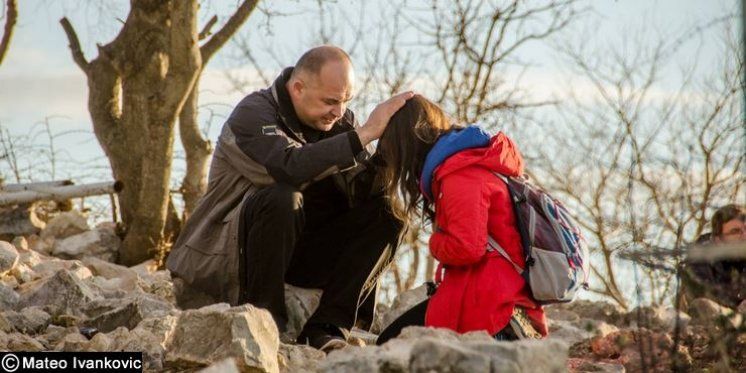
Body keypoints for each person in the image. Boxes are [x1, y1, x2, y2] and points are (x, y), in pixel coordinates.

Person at [166, 45, 414, 352]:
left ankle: (326, 327)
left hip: (300, 253)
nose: (338, 111)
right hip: (230, 256)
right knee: (284, 196)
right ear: (297, 88)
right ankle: (266, 322)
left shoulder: (339, 122)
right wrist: (364, 134)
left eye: (345, 101)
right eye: (330, 101)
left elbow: (365, 194)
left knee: (389, 215)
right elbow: (288, 167)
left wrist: (397, 148)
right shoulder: (253, 113)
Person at [374, 95, 547, 345]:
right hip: (493, 296)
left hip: (492, 307)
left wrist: (435, 243)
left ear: (406, 144)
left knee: (391, 345)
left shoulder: (459, 174)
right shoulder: (467, 165)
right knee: (391, 340)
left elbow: (466, 247)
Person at [683, 204, 746, 309]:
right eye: (735, 232)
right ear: (718, 240)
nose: (744, 236)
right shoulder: (700, 260)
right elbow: (704, 297)